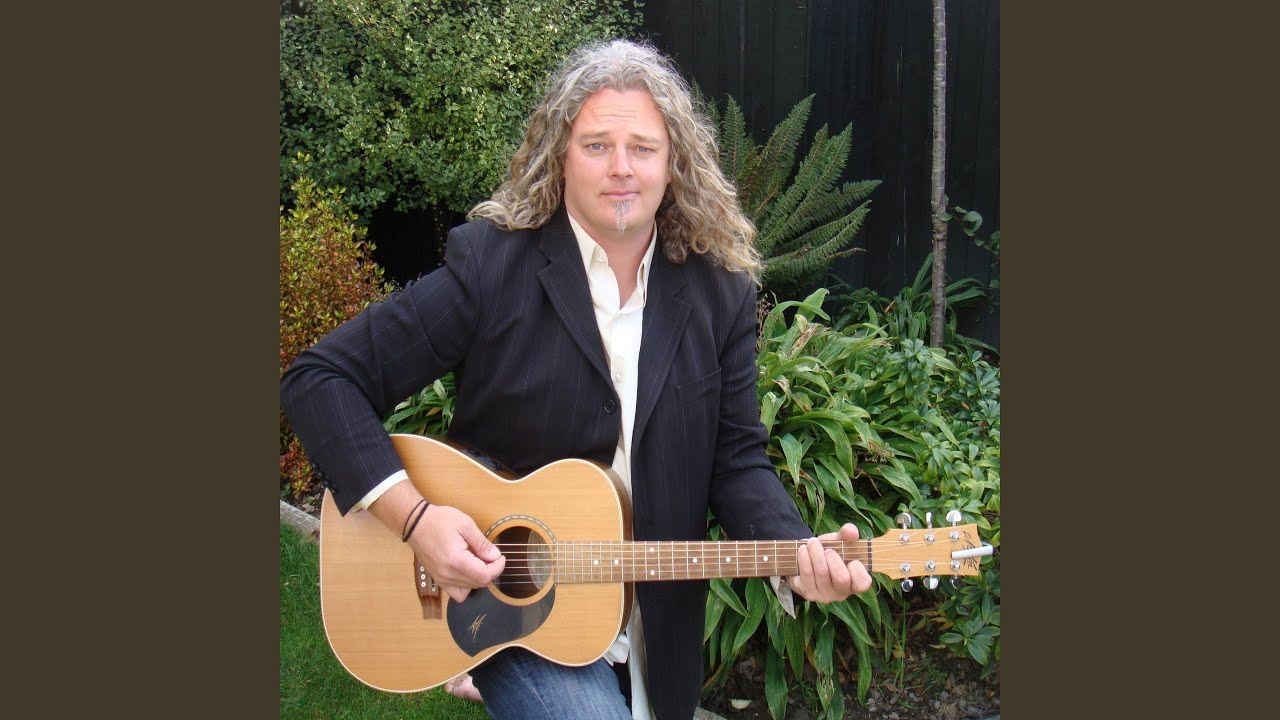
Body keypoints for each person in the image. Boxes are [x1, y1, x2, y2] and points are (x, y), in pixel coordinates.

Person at [280, 38, 873, 720]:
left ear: (674, 164)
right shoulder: (492, 269)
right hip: (500, 608)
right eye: (596, 146)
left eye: (643, 148)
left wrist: (795, 552)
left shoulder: (720, 294)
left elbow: (736, 461)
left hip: (652, 630)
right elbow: (320, 378)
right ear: (560, 156)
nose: (621, 167)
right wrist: (415, 520)